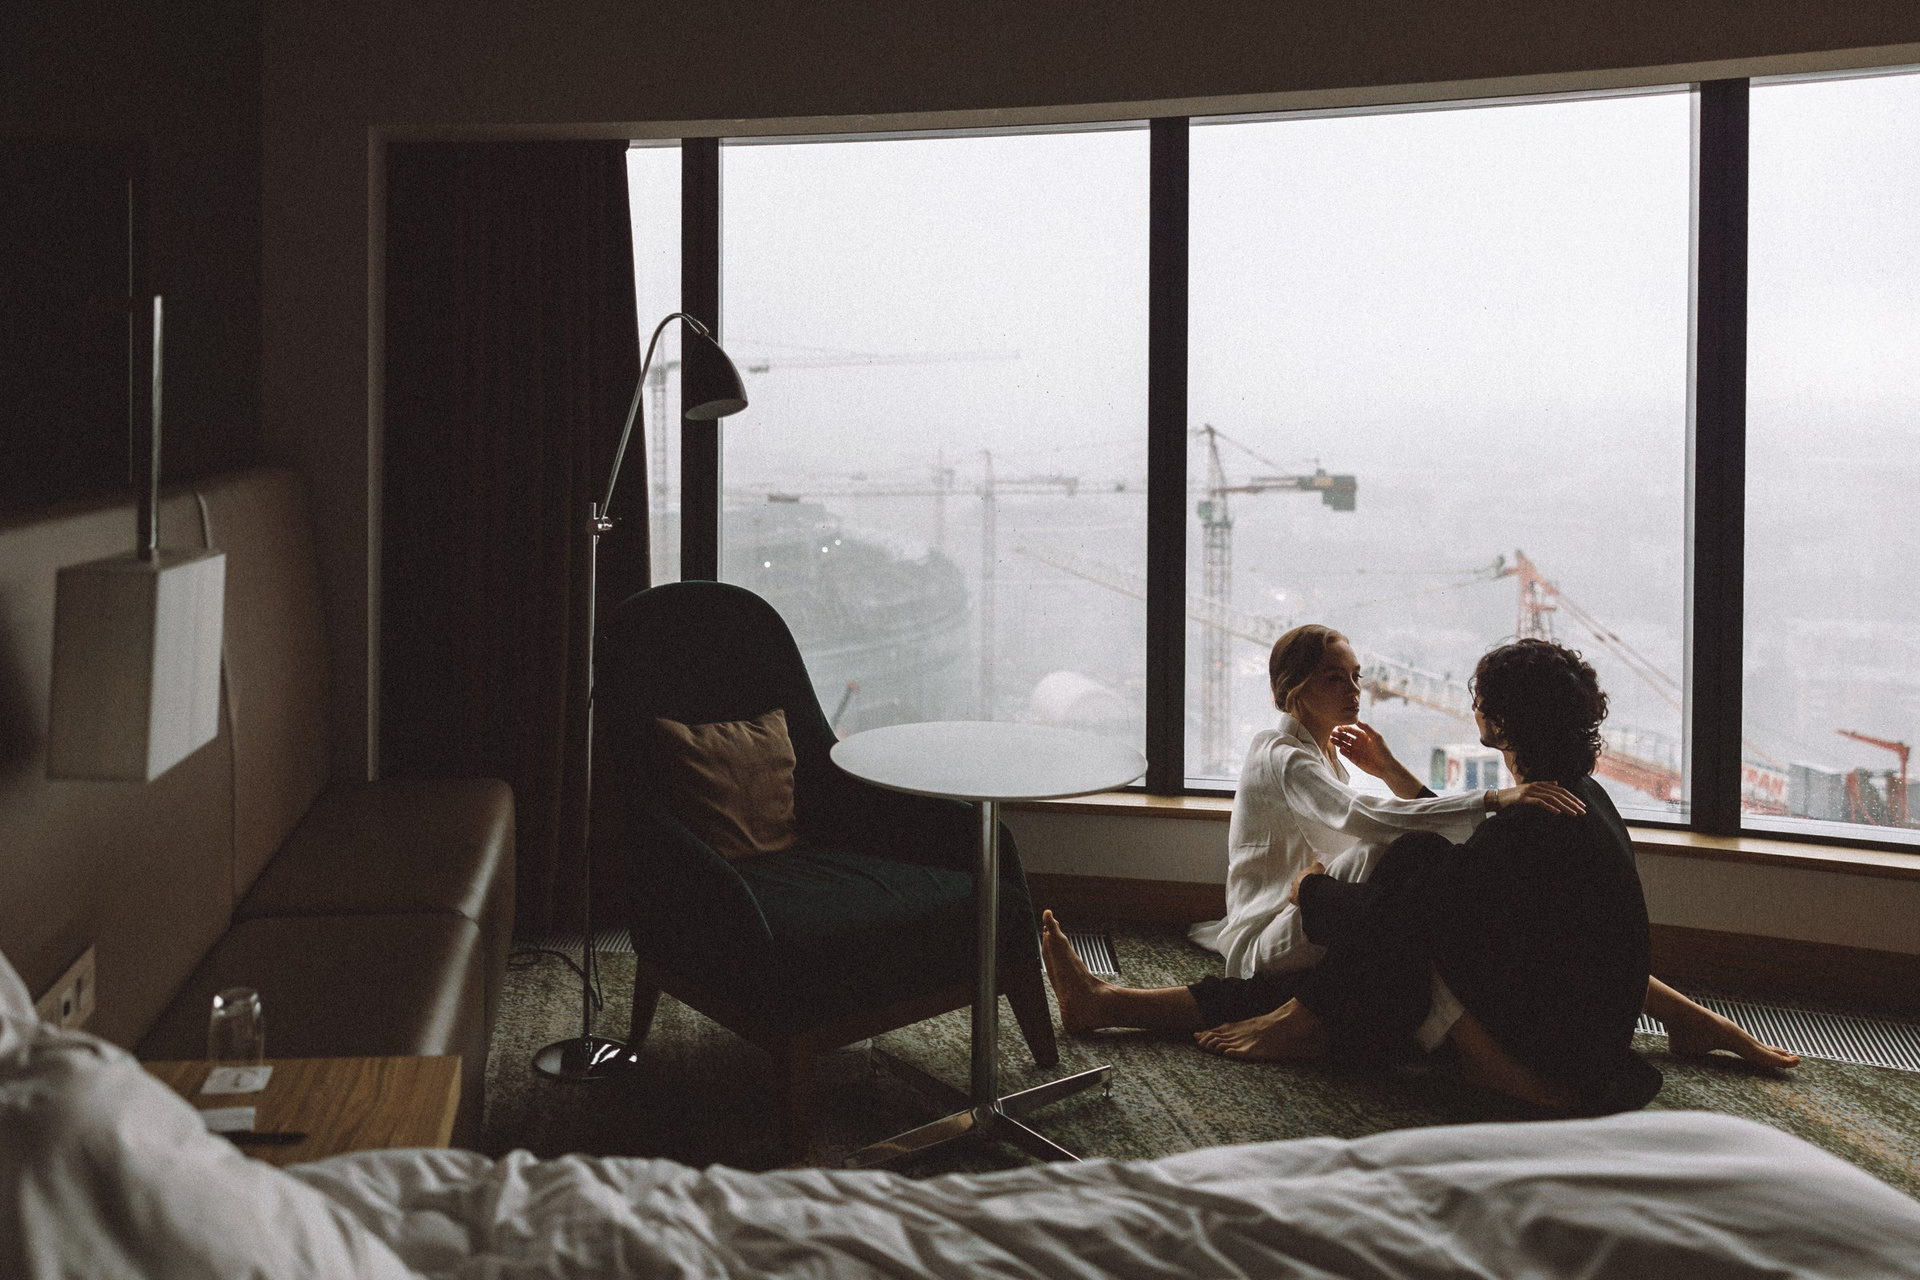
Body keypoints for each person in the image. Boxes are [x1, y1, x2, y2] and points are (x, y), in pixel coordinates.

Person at [1042, 639, 1799, 1112]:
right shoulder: (1580, 799)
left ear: (1500, 721)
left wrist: (1310, 891)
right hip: (1577, 1028)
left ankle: (1246, 1015)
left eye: (1480, 700)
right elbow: (1515, 889)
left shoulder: (1527, 826)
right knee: (1411, 886)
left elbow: (1397, 918)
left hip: (1543, 1059)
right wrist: (1392, 771)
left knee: (1390, 935)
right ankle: (1170, 1007)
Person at [1191, 624, 1583, 981]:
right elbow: (1365, 817)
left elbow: (1376, 825)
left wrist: (1388, 769)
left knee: (1402, 862)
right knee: (1385, 852)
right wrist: (1493, 798)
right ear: (1296, 688)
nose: (1354, 690)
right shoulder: (1283, 755)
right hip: (1261, 943)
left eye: (1355, 676)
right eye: (1334, 678)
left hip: (1300, 915)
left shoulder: (1322, 754)